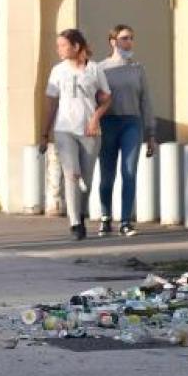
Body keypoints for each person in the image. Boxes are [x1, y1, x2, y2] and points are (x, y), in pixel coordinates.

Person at [39, 29, 112, 240]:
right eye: (58, 45)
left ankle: (81, 212)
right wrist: (44, 133)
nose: (59, 49)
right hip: (64, 130)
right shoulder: (58, 71)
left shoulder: (94, 69)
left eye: (63, 45)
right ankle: (75, 223)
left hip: (90, 131)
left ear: (76, 46)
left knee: (85, 179)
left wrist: (96, 117)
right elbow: (51, 103)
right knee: (72, 174)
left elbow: (107, 98)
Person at [98, 25, 157, 237]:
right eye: (124, 38)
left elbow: (145, 101)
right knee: (107, 175)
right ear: (113, 41)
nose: (129, 42)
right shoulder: (101, 68)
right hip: (108, 123)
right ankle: (105, 217)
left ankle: (126, 221)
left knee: (129, 172)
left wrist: (151, 133)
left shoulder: (137, 69)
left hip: (131, 123)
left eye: (131, 38)